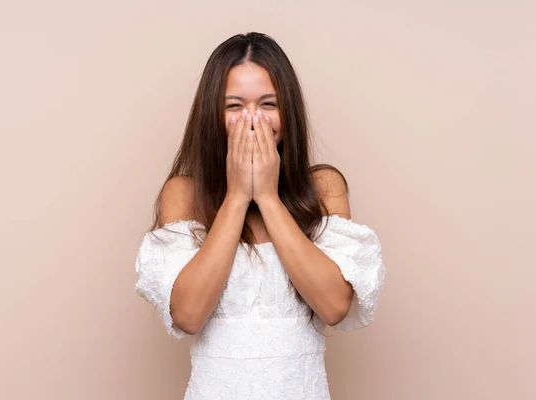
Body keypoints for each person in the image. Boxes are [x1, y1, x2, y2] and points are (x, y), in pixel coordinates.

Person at [134, 32, 386, 400]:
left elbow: (334, 306)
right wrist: (237, 196)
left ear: (288, 111)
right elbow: (188, 315)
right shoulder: (184, 195)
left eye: (268, 103)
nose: (252, 119)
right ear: (212, 114)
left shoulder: (324, 188)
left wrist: (267, 196)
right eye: (234, 106)